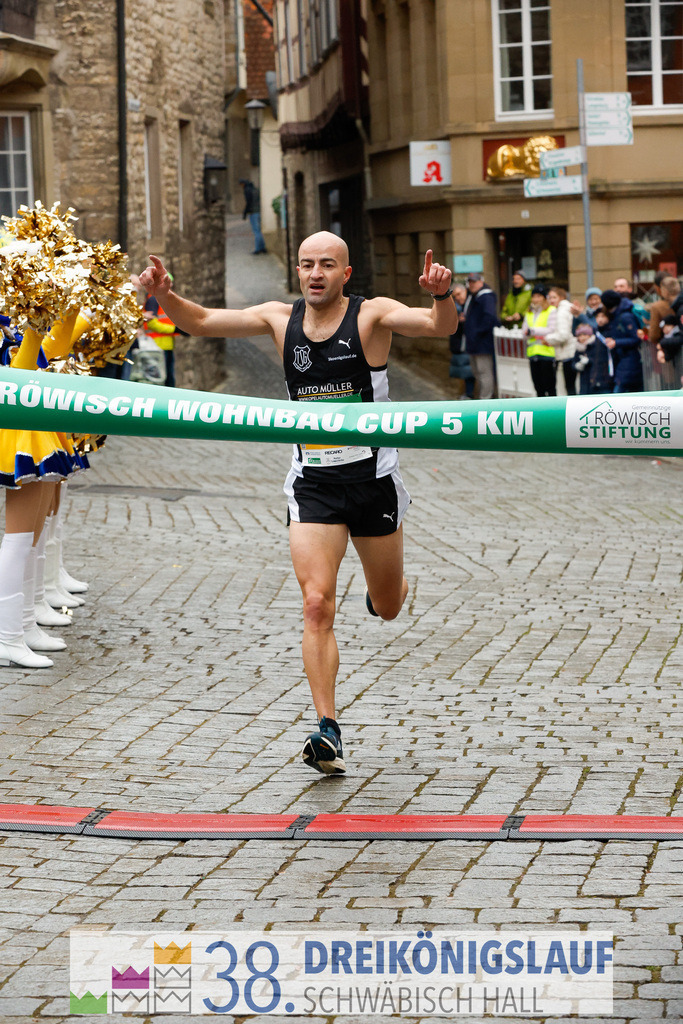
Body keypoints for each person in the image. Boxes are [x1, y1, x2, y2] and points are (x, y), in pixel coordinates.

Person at [140, 234, 458, 775]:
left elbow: (437, 328)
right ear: (298, 270)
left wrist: (441, 296)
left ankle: (391, 587)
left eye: (327, 265)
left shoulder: (371, 317)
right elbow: (201, 322)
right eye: (308, 265)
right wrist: (165, 296)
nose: (316, 274)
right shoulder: (277, 319)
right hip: (313, 485)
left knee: (387, 607)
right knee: (316, 603)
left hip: (372, 482)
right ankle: (327, 729)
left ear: (345, 273)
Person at [600, 288, 643, 393]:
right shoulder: (618, 315)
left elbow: (635, 338)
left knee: (619, 393)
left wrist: (616, 342)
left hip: (629, 361)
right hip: (624, 360)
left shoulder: (625, 316)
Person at [463, 272, 498, 399]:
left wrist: (477, 332)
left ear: (480, 282)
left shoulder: (486, 296)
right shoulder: (475, 296)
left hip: (482, 342)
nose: (471, 284)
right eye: (470, 282)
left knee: (484, 372)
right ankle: (484, 397)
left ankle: (486, 399)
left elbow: (489, 317)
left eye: (474, 282)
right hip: (474, 342)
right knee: (478, 372)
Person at [523, 284, 557, 397]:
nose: (536, 299)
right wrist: (530, 332)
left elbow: (551, 329)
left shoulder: (551, 310)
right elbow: (524, 330)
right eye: (534, 296)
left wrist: (533, 332)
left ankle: (553, 413)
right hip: (533, 353)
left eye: (539, 296)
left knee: (550, 387)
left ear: (544, 298)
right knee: (538, 387)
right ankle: (541, 414)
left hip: (547, 352)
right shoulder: (529, 312)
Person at [144, 281, 179, 388]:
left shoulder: (161, 299)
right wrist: (174, 329)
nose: (171, 286)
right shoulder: (154, 299)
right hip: (158, 346)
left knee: (168, 378)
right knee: (164, 380)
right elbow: (152, 323)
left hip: (165, 345)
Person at [546, 286, 576, 395]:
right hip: (570, 352)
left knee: (569, 387)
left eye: (554, 297)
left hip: (568, 353)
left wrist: (548, 339)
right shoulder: (566, 309)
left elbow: (563, 335)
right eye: (550, 297)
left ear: (562, 297)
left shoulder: (562, 312)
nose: (551, 300)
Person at [448, 283, 475, 399]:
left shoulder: (471, 304)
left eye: (459, 294)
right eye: (455, 296)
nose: (458, 297)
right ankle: (467, 393)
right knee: (464, 372)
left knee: (470, 372)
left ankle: (469, 394)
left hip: (470, 344)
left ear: (465, 291)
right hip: (459, 345)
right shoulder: (455, 308)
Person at [239, 178, 267, 255]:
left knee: (256, 231)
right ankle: (262, 247)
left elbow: (248, 202)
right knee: (258, 230)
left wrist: (245, 213)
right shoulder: (254, 189)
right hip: (258, 211)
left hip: (253, 212)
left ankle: (258, 248)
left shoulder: (247, 190)